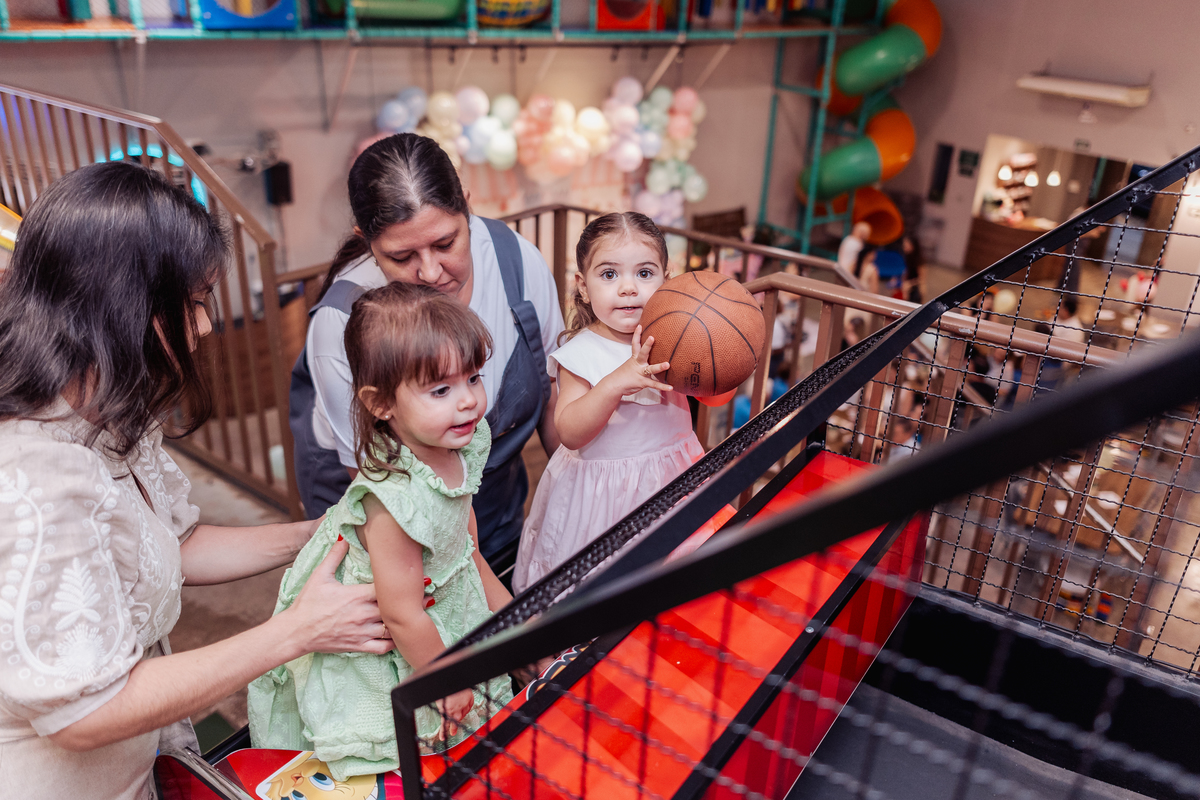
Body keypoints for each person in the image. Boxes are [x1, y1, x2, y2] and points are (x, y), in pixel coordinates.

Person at [0, 162, 391, 800]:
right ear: (122, 304)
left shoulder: (101, 415)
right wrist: (297, 631)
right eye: (194, 302)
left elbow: (173, 546)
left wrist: (321, 531)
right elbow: (86, 711)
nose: (208, 324)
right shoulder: (32, 472)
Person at [250, 283, 513, 778]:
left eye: (473, 378)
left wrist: (516, 620)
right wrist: (443, 680)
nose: (467, 402)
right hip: (396, 640)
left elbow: (468, 555)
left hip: (444, 608)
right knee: (414, 763)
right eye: (440, 389)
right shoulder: (392, 503)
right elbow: (401, 613)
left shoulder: (461, 446)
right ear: (381, 403)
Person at [290, 133, 564, 572]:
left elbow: (552, 389)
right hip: (399, 535)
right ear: (366, 241)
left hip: (496, 511)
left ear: (468, 207)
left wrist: (576, 494)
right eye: (402, 256)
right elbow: (379, 488)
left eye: (446, 243)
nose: (432, 273)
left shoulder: (517, 261)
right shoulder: (341, 323)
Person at [512, 213, 705, 593]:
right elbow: (569, 432)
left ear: (667, 279)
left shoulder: (675, 339)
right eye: (610, 274)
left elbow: (711, 393)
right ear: (583, 287)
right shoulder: (581, 352)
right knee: (603, 591)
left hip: (671, 478)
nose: (629, 288)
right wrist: (614, 384)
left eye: (645, 274)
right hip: (604, 498)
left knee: (669, 582)